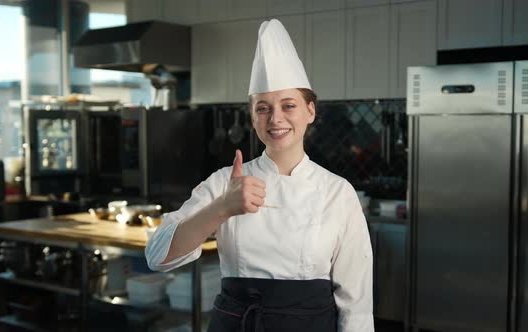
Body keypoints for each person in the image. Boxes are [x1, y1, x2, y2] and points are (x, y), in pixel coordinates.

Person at [145, 19, 374, 332]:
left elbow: (356, 300)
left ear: (310, 111)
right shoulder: (224, 183)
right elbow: (157, 256)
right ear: (252, 117)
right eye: (263, 108)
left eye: (288, 105)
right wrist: (222, 208)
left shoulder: (338, 192)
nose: (276, 118)